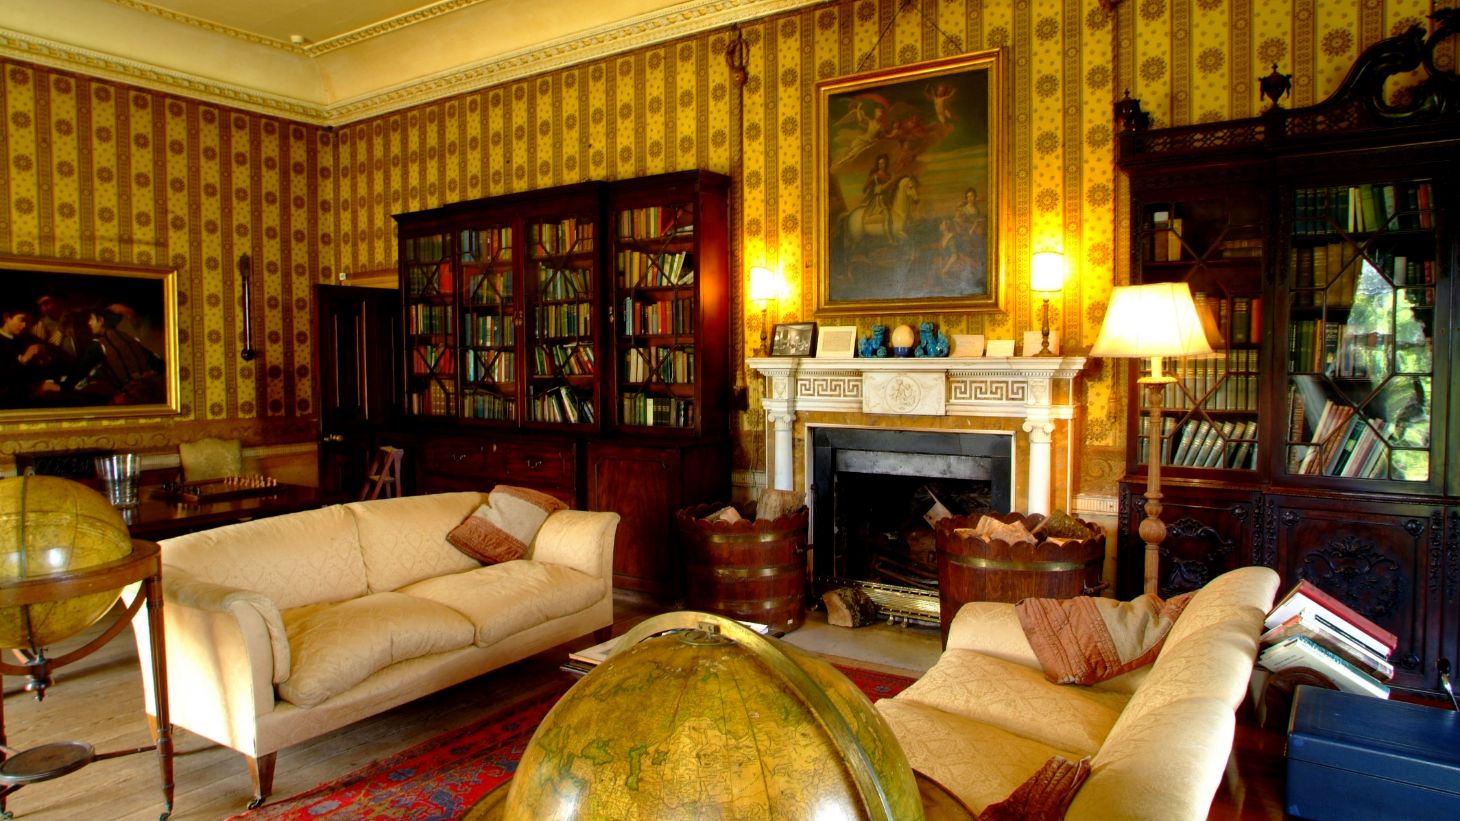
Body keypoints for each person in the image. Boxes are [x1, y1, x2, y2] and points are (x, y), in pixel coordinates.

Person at [0, 306, 60, 406]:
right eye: (22, 320)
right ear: (6, 317)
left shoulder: (28, 339)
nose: (25, 325)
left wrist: (46, 360)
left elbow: (58, 357)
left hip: (34, 398)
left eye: (28, 322)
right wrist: (25, 359)